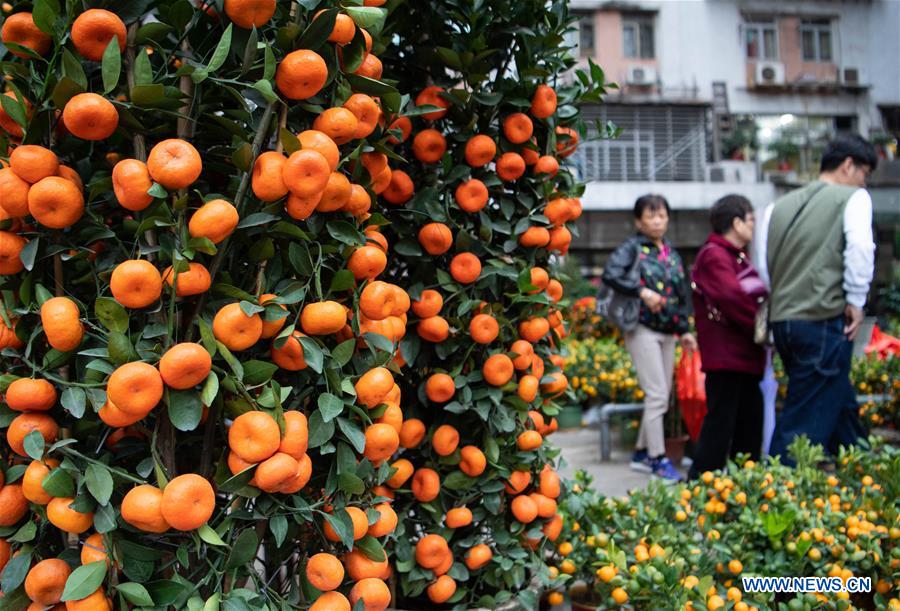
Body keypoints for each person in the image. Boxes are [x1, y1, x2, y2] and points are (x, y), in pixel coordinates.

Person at [758, 134, 877, 463]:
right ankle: (775, 493)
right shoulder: (853, 198)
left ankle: (865, 471)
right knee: (803, 419)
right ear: (848, 165)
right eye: (864, 173)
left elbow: (764, 267)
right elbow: (860, 249)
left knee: (835, 398)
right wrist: (856, 300)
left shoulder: (776, 207)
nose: (864, 181)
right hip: (822, 318)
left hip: (783, 321)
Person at [602, 194, 697, 481]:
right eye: (650, 216)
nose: (657, 221)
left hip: (668, 331)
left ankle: (643, 452)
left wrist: (684, 331)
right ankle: (657, 459)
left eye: (662, 215)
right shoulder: (632, 249)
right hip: (641, 328)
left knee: (661, 395)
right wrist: (641, 292)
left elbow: (681, 296)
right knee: (657, 395)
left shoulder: (671, 253)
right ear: (638, 221)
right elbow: (610, 274)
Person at [688, 195, 767, 479]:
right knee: (721, 428)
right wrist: (763, 328)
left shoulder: (734, 255)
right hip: (728, 358)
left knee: (747, 427)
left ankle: (742, 489)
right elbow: (732, 298)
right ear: (736, 222)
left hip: (742, 358)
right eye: (750, 220)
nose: (753, 226)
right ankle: (699, 487)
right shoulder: (714, 254)